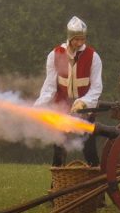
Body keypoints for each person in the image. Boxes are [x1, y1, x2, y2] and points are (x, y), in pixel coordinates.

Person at [34, 15, 103, 166]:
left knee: (89, 149)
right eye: (76, 39)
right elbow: (50, 86)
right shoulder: (55, 55)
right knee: (59, 149)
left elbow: (96, 87)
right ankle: (56, 187)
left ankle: (97, 184)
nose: (80, 43)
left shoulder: (93, 57)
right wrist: (39, 105)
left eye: (82, 39)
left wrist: (83, 102)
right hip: (62, 108)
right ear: (70, 38)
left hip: (85, 109)